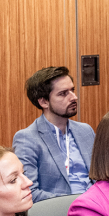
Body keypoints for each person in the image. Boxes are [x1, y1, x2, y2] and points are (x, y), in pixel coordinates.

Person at [13, 66, 94, 203]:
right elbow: (29, 192)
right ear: (44, 101)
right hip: (61, 212)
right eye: (63, 93)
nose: (74, 97)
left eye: (72, 90)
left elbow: (104, 176)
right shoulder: (27, 139)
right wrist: (78, 203)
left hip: (98, 208)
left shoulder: (85, 131)